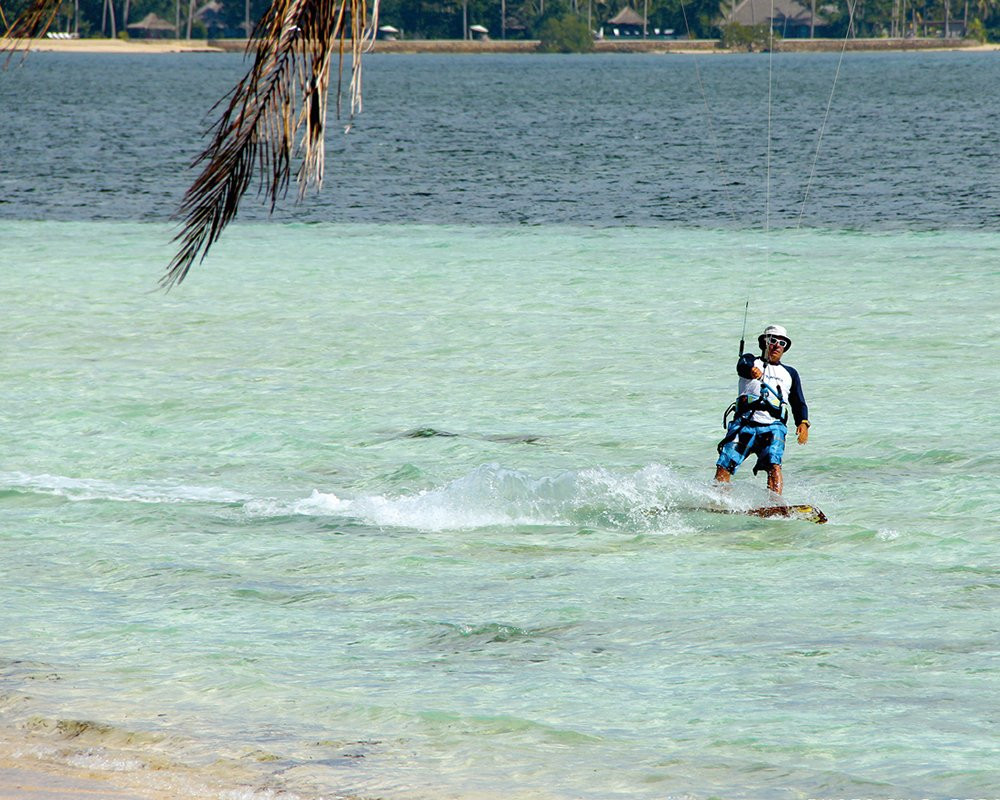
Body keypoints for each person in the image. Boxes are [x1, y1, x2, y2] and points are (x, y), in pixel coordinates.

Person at [714, 324, 810, 496]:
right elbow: (742, 364)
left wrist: (803, 422)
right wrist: (751, 370)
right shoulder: (751, 361)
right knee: (726, 462)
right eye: (772, 340)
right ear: (764, 342)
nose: (776, 345)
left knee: (774, 464)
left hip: (773, 426)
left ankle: (775, 504)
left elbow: (798, 402)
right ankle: (719, 498)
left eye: (781, 343)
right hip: (745, 423)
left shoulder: (790, 373)